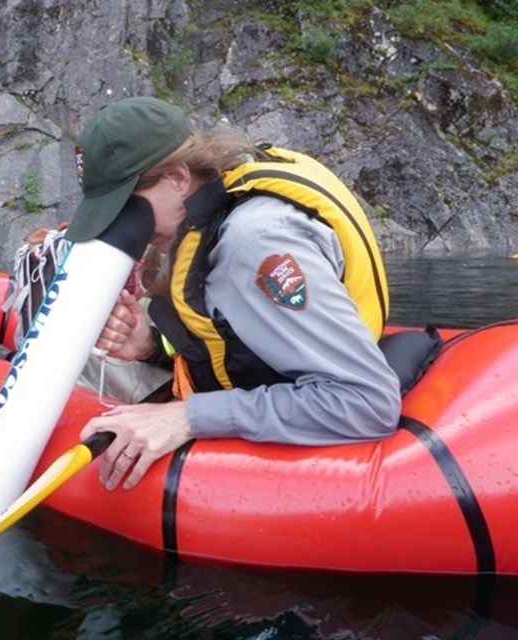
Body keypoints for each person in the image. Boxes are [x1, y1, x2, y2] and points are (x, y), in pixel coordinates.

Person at [66, 96, 402, 491]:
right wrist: (152, 346)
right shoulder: (210, 206)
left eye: (127, 209)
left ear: (177, 178)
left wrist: (188, 417)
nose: (127, 229)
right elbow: (237, 340)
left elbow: (367, 402)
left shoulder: (255, 241)